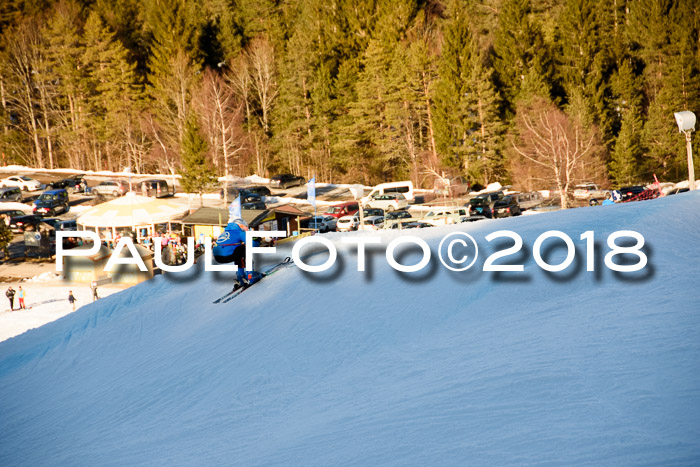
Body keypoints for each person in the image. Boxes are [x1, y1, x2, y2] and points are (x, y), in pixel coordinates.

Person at [212, 218, 262, 289]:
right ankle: (250, 275)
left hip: (217, 257)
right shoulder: (239, 232)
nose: (247, 229)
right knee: (244, 249)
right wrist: (257, 240)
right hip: (227, 255)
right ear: (240, 225)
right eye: (246, 227)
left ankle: (240, 278)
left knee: (238, 251)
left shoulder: (225, 232)